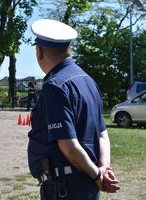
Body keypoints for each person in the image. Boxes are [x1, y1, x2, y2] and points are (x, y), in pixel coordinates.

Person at [27, 19, 120, 199]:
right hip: (86, 184)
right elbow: (103, 134)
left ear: (39, 51)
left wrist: (99, 175)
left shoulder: (55, 87)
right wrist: (103, 168)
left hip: (65, 187)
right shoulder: (88, 81)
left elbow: (69, 146)